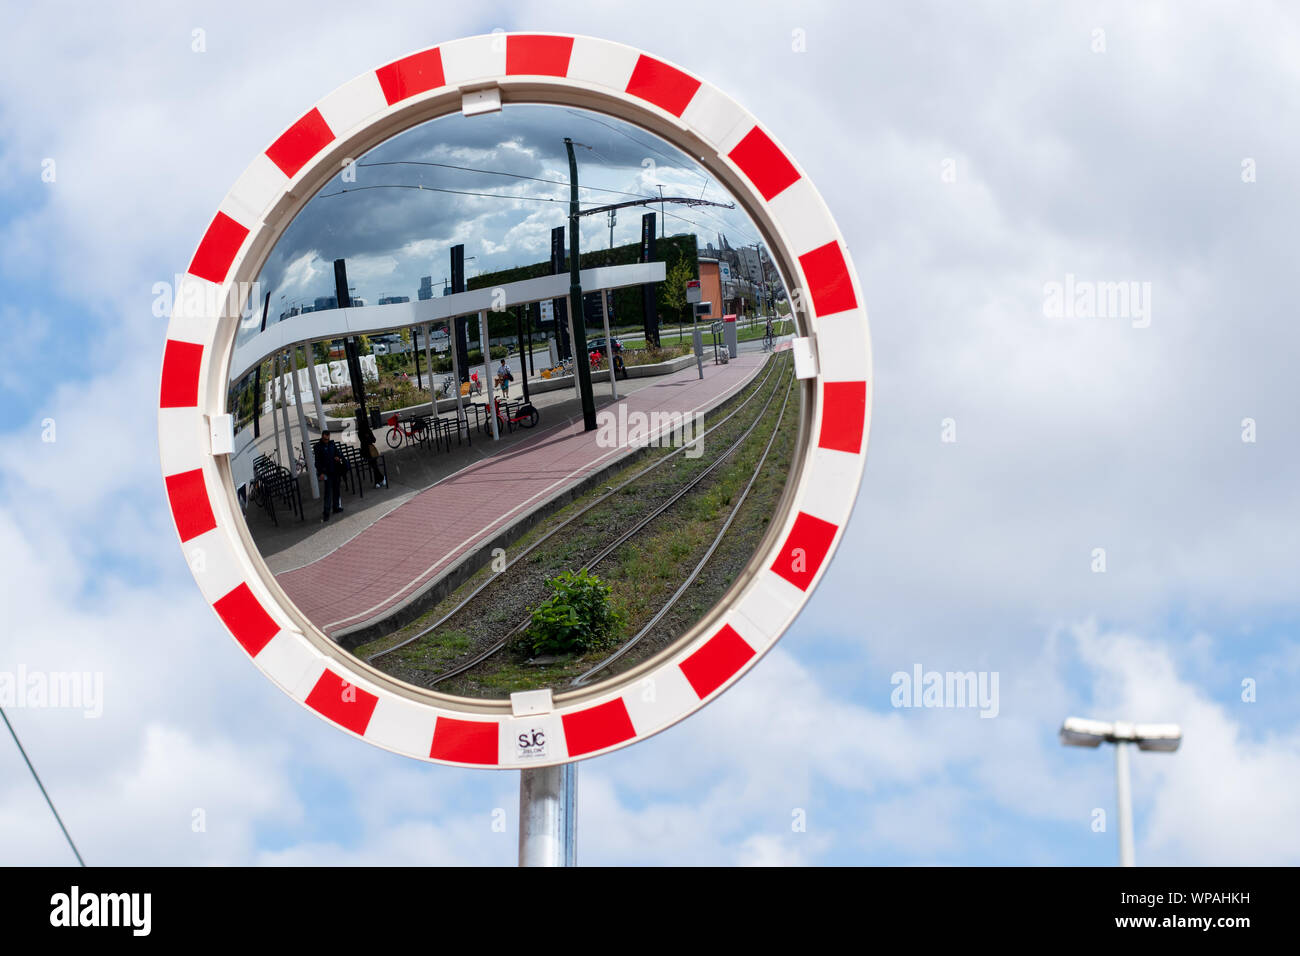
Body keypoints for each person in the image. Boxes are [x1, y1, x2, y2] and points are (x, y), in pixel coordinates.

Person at [314, 429, 346, 523]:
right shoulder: (318, 447)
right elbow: (317, 462)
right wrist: (321, 473)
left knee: (336, 490)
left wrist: (338, 457)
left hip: (335, 470)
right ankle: (326, 513)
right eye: (325, 439)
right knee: (328, 493)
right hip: (326, 472)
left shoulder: (332, 444)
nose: (326, 440)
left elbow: (338, 453)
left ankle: (336, 507)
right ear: (322, 437)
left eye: (328, 439)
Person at [354, 408, 386, 489]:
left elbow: (365, 441)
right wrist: (368, 437)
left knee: (374, 467)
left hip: (365, 451)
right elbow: (373, 440)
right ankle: (381, 478)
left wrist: (368, 437)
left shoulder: (360, 433)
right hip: (369, 450)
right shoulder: (367, 431)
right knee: (374, 466)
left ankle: (377, 482)